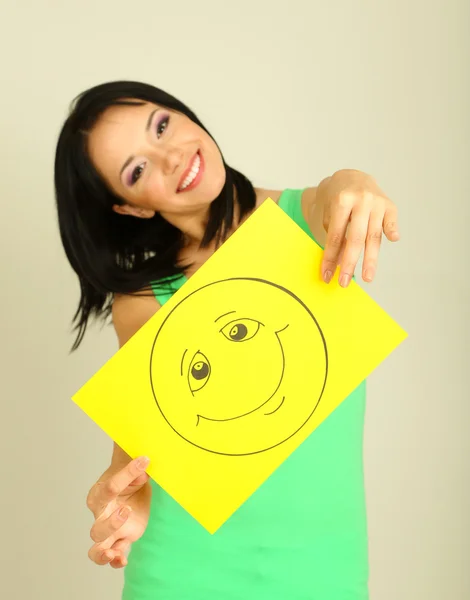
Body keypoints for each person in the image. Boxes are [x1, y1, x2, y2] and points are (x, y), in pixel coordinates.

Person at [54, 80, 400, 600]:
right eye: (137, 169)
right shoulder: (142, 303)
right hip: (181, 572)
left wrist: (356, 182)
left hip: (322, 569)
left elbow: (336, 190)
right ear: (129, 208)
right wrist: (121, 499)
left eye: (162, 125)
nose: (171, 156)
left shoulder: (310, 222)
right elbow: (136, 458)